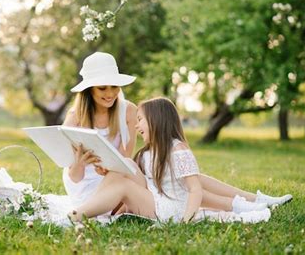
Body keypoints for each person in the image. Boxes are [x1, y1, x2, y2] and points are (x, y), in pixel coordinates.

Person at [69, 97, 292, 222]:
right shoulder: (148, 153)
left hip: (167, 209)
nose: (135, 126)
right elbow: (138, 177)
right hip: (161, 200)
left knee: (190, 179)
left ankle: (80, 214)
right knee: (127, 167)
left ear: (156, 121)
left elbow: (194, 190)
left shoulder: (176, 150)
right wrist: (106, 171)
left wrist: (186, 220)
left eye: (140, 120)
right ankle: (246, 201)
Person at [62, 52, 138, 209]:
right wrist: (80, 164)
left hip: (115, 175)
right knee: (105, 206)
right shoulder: (75, 117)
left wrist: (109, 170)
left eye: (114, 87)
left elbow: (125, 160)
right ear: (89, 90)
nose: (110, 94)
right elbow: (74, 177)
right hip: (83, 182)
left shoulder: (129, 111)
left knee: (136, 193)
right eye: (102, 88)